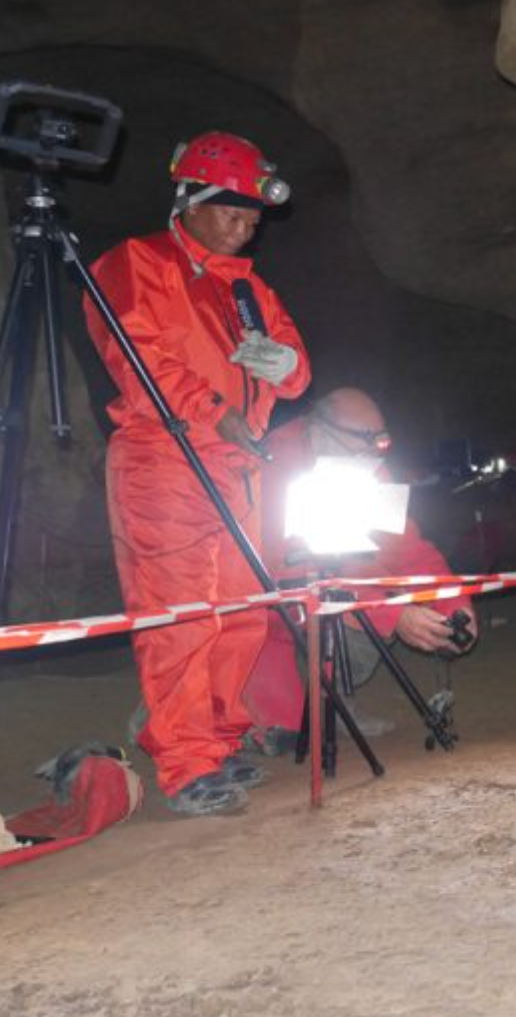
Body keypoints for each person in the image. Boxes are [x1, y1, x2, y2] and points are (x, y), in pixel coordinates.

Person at [84, 131, 311, 816]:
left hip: (240, 467)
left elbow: (296, 362)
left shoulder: (248, 289)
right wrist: (214, 413)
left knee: (240, 612)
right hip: (166, 460)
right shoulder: (136, 262)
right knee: (179, 617)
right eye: (233, 214)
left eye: (253, 218)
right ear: (191, 201)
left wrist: (288, 369)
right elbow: (140, 355)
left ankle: (217, 737)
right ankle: (185, 762)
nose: (246, 229)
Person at [242, 388, 477, 740]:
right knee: (274, 726)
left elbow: (406, 549)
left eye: (381, 443)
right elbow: (286, 572)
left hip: (319, 593)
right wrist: (391, 613)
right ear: (318, 430)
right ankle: (202, 707)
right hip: (259, 607)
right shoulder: (272, 469)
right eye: (367, 442)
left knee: (365, 616)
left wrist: (455, 603)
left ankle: (328, 705)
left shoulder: (362, 466)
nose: (376, 455)